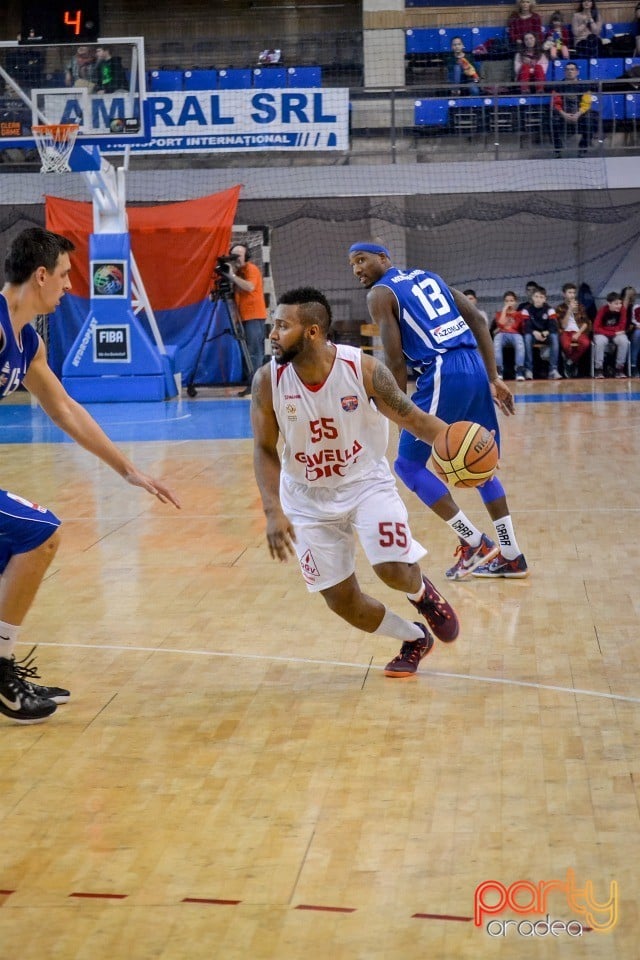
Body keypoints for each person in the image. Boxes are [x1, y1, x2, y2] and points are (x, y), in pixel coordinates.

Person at [0, 228, 181, 724]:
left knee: (12, 556)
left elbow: (64, 409)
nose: (67, 287)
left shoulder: (28, 342)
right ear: (40, 276)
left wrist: (127, 469)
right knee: (41, 535)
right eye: (63, 276)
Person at [251, 286, 459, 679]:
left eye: (282, 326)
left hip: (366, 484)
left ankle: (423, 595)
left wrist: (455, 445)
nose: (273, 334)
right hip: (305, 499)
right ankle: (414, 638)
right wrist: (272, 510)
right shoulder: (268, 382)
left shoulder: (362, 370)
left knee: (393, 568)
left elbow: (413, 418)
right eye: (273, 326)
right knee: (342, 601)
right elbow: (263, 449)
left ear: (312, 331)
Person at [348, 242, 528, 581]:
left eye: (362, 260)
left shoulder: (380, 294)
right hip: (473, 365)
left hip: (442, 370)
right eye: (352, 264)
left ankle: (473, 542)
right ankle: (511, 554)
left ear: (384, 258)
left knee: (407, 465)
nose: (357, 269)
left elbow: (395, 360)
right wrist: (493, 377)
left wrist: (400, 412)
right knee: (482, 460)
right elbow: (476, 318)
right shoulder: (430, 277)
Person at [223, 243, 268, 398]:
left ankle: (256, 386)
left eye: (239, 255)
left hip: (254, 316)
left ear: (246, 256)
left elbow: (249, 287)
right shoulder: (238, 272)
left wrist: (232, 276)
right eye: (234, 255)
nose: (237, 258)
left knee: (255, 352)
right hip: (242, 317)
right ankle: (251, 383)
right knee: (247, 352)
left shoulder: (251, 270)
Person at [551, 61, 596, 157]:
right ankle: (558, 150)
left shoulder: (584, 85)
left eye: (572, 69)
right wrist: (563, 114)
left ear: (577, 72)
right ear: (564, 72)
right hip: (563, 115)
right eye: (567, 69)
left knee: (590, 120)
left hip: (579, 115)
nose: (570, 71)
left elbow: (586, 103)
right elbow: (556, 103)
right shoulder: (558, 86)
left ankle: (582, 149)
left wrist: (578, 114)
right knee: (551, 121)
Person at [520, 286, 561, 379]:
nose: (538, 299)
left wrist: (547, 332)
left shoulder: (550, 310)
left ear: (545, 299)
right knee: (527, 337)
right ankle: (528, 370)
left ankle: (553, 370)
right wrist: (534, 332)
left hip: (546, 334)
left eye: (541, 297)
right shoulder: (526, 310)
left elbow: (554, 326)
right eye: (536, 296)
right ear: (533, 297)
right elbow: (525, 326)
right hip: (533, 335)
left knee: (555, 337)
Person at [555, 282, 591, 377]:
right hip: (565, 332)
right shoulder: (559, 308)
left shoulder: (580, 307)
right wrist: (569, 310)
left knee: (586, 343)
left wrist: (578, 333)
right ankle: (570, 360)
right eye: (569, 292)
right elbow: (562, 325)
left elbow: (586, 323)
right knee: (566, 346)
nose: (572, 295)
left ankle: (570, 362)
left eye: (574, 293)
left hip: (577, 331)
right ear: (564, 294)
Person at [592, 291, 629, 378]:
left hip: (614, 333)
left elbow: (622, 326)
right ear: (609, 303)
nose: (619, 305)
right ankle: (599, 369)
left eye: (620, 303)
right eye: (616, 304)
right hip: (603, 334)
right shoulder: (602, 310)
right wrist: (613, 332)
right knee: (600, 341)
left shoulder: (622, 310)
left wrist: (610, 331)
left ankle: (619, 369)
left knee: (624, 340)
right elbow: (596, 328)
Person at [493, 291, 526, 381]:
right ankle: (499, 371)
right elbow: (501, 324)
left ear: (515, 302)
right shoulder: (499, 313)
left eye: (511, 301)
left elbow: (517, 327)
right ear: (504, 302)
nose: (509, 303)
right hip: (502, 334)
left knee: (520, 342)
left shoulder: (519, 314)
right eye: (507, 301)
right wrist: (504, 310)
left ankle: (519, 371)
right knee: (497, 340)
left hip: (515, 334)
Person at [623, 285, 640, 376]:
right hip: (625, 332)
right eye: (631, 295)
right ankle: (633, 365)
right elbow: (623, 318)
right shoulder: (620, 305)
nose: (633, 297)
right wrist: (627, 297)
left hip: (633, 330)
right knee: (637, 334)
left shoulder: (635, 307)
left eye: (634, 295)